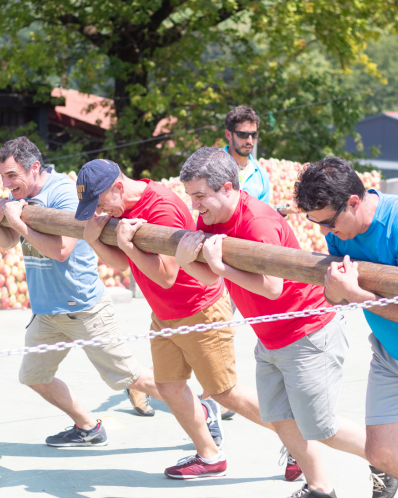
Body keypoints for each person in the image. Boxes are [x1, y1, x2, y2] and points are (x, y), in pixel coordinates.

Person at [178, 146, 373, 498]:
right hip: (269, 339)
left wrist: (220, 267)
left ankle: (383, 459)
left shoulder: (259, 222)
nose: (194, 205)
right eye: (191, 196)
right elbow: (208, 277)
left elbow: (270, 288)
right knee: (280, 418)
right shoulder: (210, 217)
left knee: (322, 427)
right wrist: (185, 260)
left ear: (226, 188)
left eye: (199, 196)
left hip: (308, 332)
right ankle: (319, 488)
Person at [75, 158, 279, 479]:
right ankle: (209, 456)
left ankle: (297, 442)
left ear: (117, 187)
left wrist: (128, 246)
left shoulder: (161, 208)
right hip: (164, 314)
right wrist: (93, 239)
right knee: (169, 388)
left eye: (100, 203)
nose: (101, 212)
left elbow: (167, 275)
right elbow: (126, 265)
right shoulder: (122, 208)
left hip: (200, 311)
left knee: (227, 393)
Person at [0, 136, 162, 447]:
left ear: (34, 168)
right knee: (33, 376)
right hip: (46, 312)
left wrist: (19, 223)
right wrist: (9, 220)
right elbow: (8, 241)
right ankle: (88, 426)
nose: (6, 184)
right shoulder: (18, 197)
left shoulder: (63, 192)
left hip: (83, 307)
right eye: (2, 177)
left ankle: (201, 410)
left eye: (11, 176)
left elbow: (61, 250)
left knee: (132, 377)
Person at [294, 156, 398, 498]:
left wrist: (356, 295)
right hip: (388, 354)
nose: (325, 232)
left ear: (353, 201)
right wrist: (340, 294)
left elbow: (353, 295)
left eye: (328, 222)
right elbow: (339, 295)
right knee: (379, 453)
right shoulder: (341, 232)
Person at [224, 105, 270, 204]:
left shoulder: (261, 175)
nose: (249, 140)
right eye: (243, 134)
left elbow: (263, 215)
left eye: (254, 135)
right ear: (228, 135)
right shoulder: (211, 166)